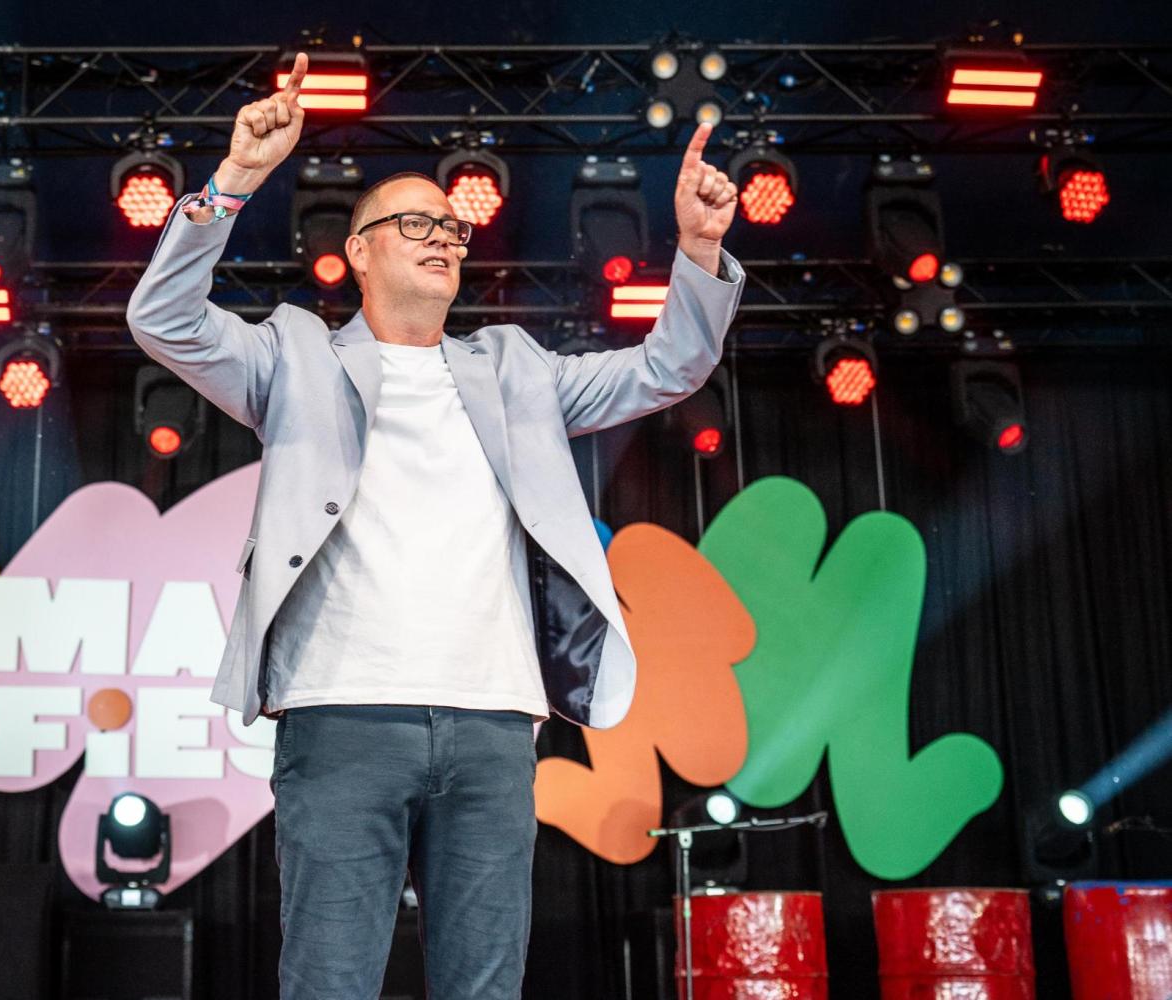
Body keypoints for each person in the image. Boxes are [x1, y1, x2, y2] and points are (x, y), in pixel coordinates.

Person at [127, 51, 744, 1000]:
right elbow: (164, 316)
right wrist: (235, 180)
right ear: (359, 249)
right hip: (341, 716)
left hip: (495, 721)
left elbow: (666, 369)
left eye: (452, 226)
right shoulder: (293, 358)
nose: (443, 237)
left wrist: (697, 252)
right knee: (329, 981)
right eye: (414, 221)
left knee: (484, 985)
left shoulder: (518, 369)